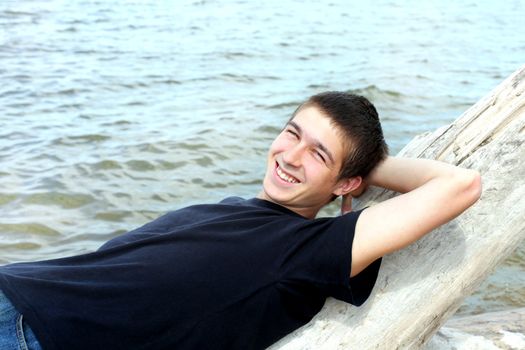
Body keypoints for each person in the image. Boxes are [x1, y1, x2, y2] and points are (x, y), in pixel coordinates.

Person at [0, 92, 482, 350]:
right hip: (20, 291)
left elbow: (460, 186)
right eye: (291, 133)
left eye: (317, 154)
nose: (290, 156)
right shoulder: (235, 208)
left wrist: (367, 167)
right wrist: (337, 163)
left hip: (36, 334)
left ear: (344, 184)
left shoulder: (308, 248)